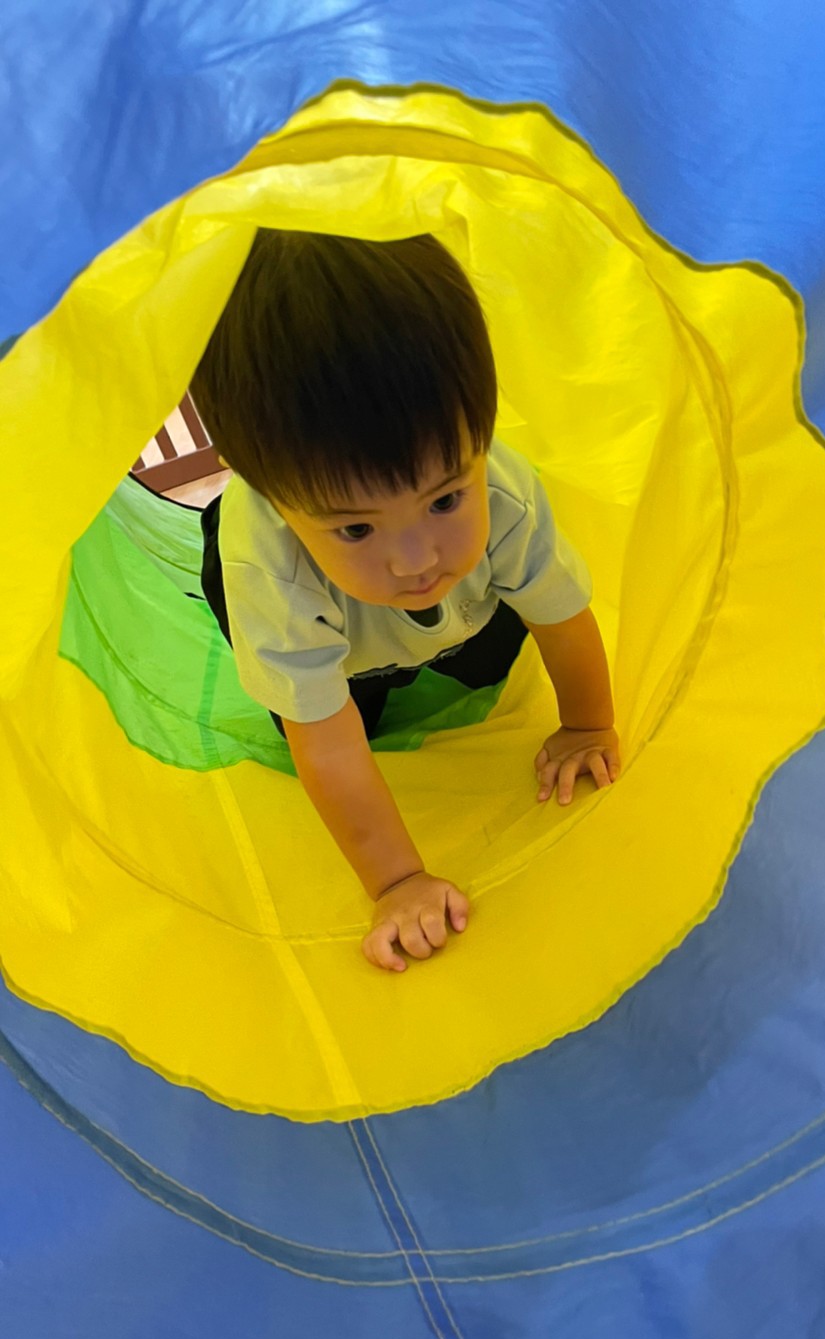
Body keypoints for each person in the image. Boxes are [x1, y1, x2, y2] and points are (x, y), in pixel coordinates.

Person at [191, 229, 620, 973]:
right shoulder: (268, 569)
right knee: (343, 721)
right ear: (267, 491)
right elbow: (326, 743)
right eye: (357, 526)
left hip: (469, 603)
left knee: (489, 657)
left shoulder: (502, 491)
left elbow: (561, 615)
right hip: (324, 617)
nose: (417, 560)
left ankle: (420, 609)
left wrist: (588, 724)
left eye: (446, 497)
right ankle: (374, 661)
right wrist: (397, 882)